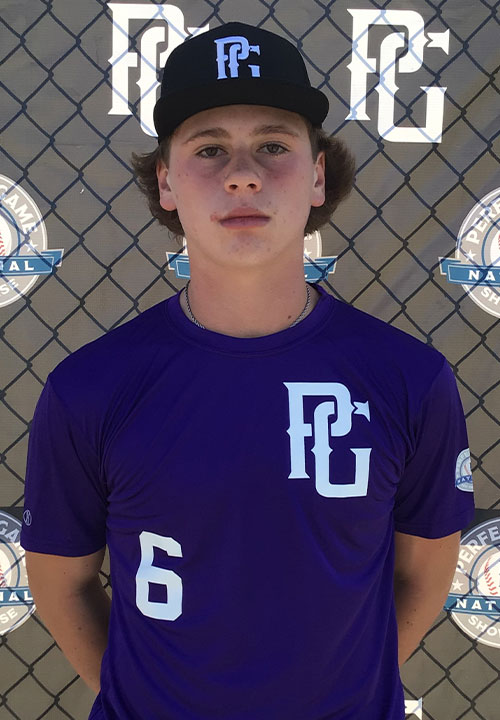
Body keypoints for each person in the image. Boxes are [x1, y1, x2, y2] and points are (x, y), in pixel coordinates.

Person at [21, 21, 475, 720]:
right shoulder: (90, 388)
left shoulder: (410, 379)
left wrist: (342, 688)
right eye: (209, 149)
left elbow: (425, 569)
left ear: (317, 174)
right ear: (166, 182)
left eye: (273, 145)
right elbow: (60, 582)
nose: (243, 174)